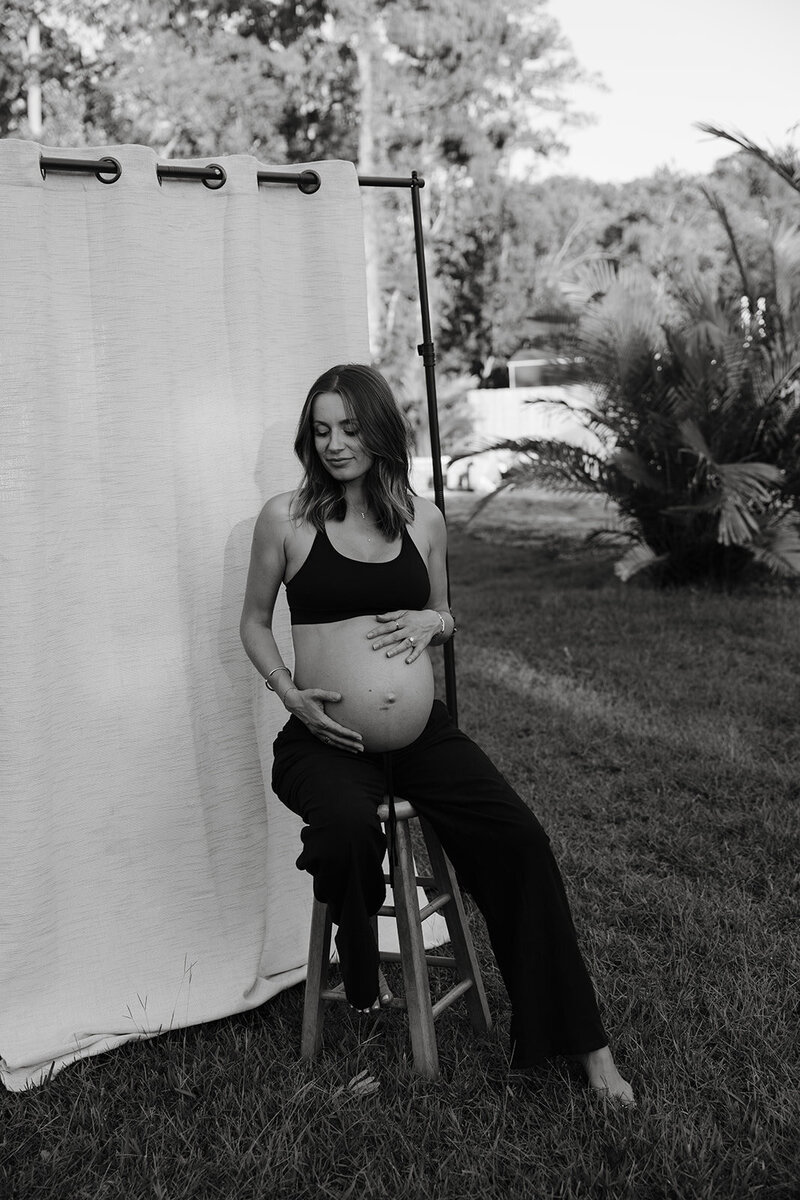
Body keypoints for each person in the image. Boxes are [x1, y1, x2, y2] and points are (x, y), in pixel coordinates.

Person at [239, 363, 635, 1105]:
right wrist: (289, 692)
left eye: (350, 428)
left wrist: (434, 620)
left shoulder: (423, 519)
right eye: (321, 430)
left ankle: (586, 1046)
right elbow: (255, 622)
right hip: (326, 740)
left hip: (424, 741)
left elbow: (446, 616)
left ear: (381, 430)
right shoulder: (284, 518)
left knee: (521, 841)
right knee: (346, 833)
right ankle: (362, 973)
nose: (334, 444)